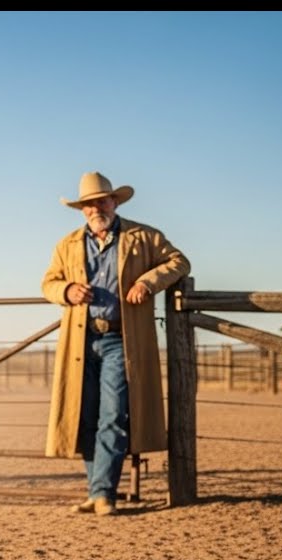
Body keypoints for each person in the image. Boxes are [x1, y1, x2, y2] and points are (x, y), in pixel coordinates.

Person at [41, 171, 191, 516]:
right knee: (86, 416)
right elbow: (48, 282)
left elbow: (179, 262)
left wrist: (148, 282)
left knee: (114, 415)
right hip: (80, 341)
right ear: (82, 209)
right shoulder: (67, 244)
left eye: (102, 201)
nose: (96, 208)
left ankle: (104, 491)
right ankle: (96, 492)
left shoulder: (143, 236)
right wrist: (66, 290)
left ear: (114, 202)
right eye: (89, 204)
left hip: (121, 339)